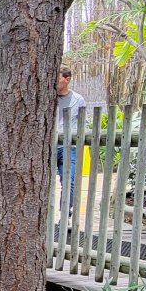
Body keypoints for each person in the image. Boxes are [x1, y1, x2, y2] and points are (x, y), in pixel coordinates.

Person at [54, 66, 86, 212]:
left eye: (58, 78)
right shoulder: (47, 98)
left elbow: (83, 123)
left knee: (69, 181)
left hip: (68, 147)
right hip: (48, 146)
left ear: (67, 79)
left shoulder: (78, 100)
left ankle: (65, 213)